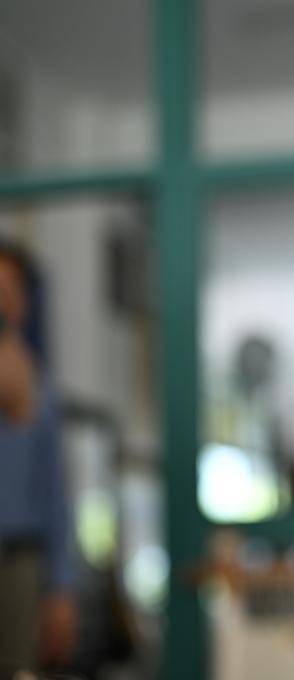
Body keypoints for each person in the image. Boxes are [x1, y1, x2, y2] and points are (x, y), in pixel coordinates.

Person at [0, 242, 77, 675]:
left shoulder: (37, 384)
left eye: (9, 289)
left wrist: (60, 585)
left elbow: (54, 488)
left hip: (18, 559)